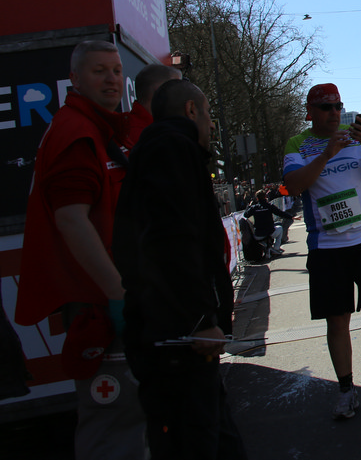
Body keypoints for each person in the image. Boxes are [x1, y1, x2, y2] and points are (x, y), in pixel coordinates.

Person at [14, 40, 145, 459]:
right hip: (98, 307)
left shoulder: (93, 129)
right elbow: (72, 221)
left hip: (102, 301)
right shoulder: (78, 133)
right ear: (74, 78)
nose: (111, 80)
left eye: (116, 70)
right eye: (98, 71)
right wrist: (118, 294)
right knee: (116, 422)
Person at [112, 79, 247, 459]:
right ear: (191, 110)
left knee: (217, 438)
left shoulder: (155, 148)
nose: (212, 124)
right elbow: (172, 240)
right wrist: (199, 319)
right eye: (208, 114)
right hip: (179, 339)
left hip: (172, 334)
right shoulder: (172, 148)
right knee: (195, 441)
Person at [283, 84, 361, 420]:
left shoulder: (356, 138)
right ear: (310, 112)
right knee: (338, 320)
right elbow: (293, 185)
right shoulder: (297, 144)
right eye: (326, 108)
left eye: (338, 106)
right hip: (327, 246)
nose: (334, 113)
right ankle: (346, 388)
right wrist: (326, 155)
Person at [127, 63, 181, 143]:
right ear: (160, 92)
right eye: (177, 90)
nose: (181, 97)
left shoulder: (125, 128)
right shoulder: (153, 137)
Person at [244, 189, 290, 256]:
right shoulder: (269, 206)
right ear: (265, 197)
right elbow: (280, 213)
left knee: (276, 225)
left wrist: (249, 206)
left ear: (257, 198)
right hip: (270, 231)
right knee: (280, 228)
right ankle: (276, 248)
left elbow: (246, 215)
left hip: (258, 234)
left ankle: (268, 247)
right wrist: (291, 217)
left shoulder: (254, 208)